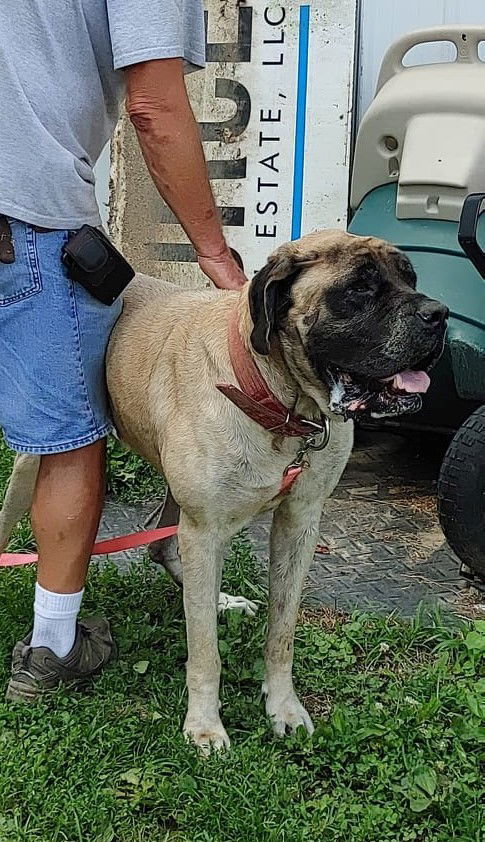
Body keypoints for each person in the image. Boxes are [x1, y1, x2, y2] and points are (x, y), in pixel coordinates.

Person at [0, 0, 247, 702]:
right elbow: (154, 108)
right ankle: (52, 648)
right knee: (68, 441)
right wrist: (214, 255)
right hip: (25, 213)